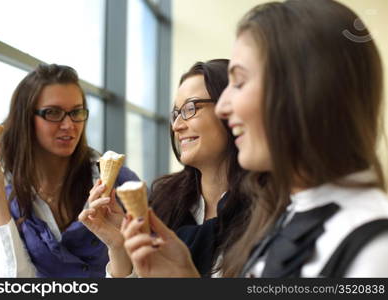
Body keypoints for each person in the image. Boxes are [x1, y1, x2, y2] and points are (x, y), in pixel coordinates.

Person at [119, 0, 388, 277]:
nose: (224, 107)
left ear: (302, 90)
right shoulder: (291, 216)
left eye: (240, 82)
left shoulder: (373, 249)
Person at [79, 59, 250, 277]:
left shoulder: (266, 210)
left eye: (191, 108)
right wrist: (119, 247)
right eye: (176, 113)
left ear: (230, 109)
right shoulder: (164, 202)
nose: (177, 125)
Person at [0, 64, 139, 277]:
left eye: (76, 112)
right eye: (53, 112)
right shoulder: (12, 194)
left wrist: (118, 247)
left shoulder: (122, 185)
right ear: (27, 119)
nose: (69, 124)